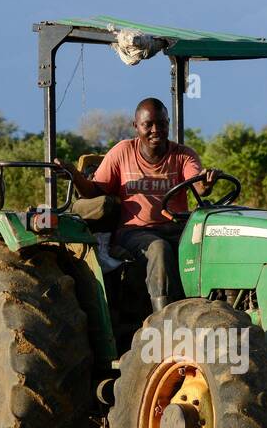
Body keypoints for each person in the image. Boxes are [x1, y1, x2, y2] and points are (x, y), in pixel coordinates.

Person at [56, 98, 216, 313]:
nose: (155, 130)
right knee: (159, 248)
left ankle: (213, 304)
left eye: (161, 124)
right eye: (147, 125)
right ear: (136, 126)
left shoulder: (182, 155)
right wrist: (75, 175)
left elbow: (198, 184)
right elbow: (96, 191)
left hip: (177, 228)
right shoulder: (122, 152)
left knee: (213, 242)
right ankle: (164, 318)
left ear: (168, 123)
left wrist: (205, 185)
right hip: (135, 231)